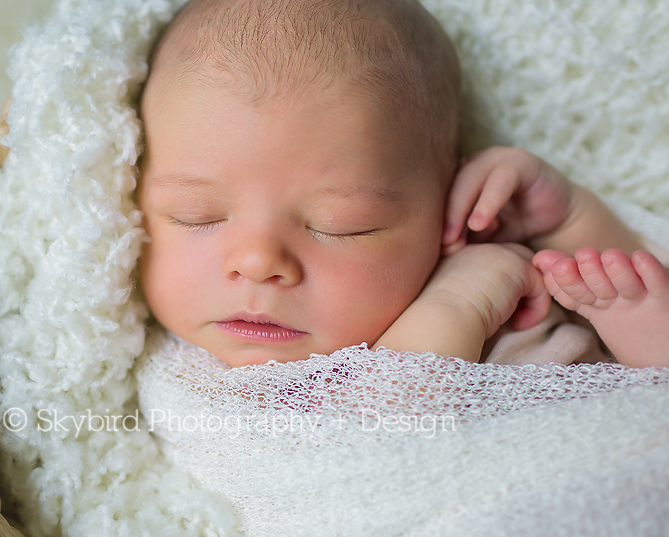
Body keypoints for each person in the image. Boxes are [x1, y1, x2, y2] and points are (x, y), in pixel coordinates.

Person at [135, 0, 669, 370]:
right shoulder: (167, 369)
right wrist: (458, 304)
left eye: (342, 227)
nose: (255, 262)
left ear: (446, 208)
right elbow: (371, 440)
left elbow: (398, 412)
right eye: (196, 215)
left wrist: (569, 221)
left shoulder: (509, 286)